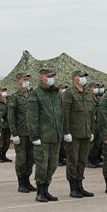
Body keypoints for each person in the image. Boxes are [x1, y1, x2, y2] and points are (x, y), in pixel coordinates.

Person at [26, 68, 64, 202]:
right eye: (49, 76)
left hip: (55, 136)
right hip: (43, 137)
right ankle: (40, 192)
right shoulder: (36, 94)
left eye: (53, 75)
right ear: (42, 77)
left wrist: (62, 132)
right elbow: (32, 117)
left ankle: (46, 189)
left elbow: (60, 115)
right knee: (42, 165)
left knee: (52, 165)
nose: (52, 78)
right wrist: (34, 136)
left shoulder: (56, 94)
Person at [60, 69, 96, 198]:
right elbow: (64, 115)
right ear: (75, 78)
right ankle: (73, 187)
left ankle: (80, 185)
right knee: (72, 161)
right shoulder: (69, 94)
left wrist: (91, 131)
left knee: (82, 161)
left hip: (85, 133)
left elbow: (91, 114)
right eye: (81, 76)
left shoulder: (87, 93)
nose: (83, 79)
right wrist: (66, 132)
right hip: (74, 134)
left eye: (84, 76)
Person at [8, 73, 35, 192]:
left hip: (31, 133)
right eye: (24, 79)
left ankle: (27, 181)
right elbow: (11, 117)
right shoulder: (14, 97)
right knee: (21, 159)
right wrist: (14, 134)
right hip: (21, 133)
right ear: (18, 81)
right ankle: (21, 183)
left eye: (28, 79)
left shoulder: (32, 95)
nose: (27, 81)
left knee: (30, 158)